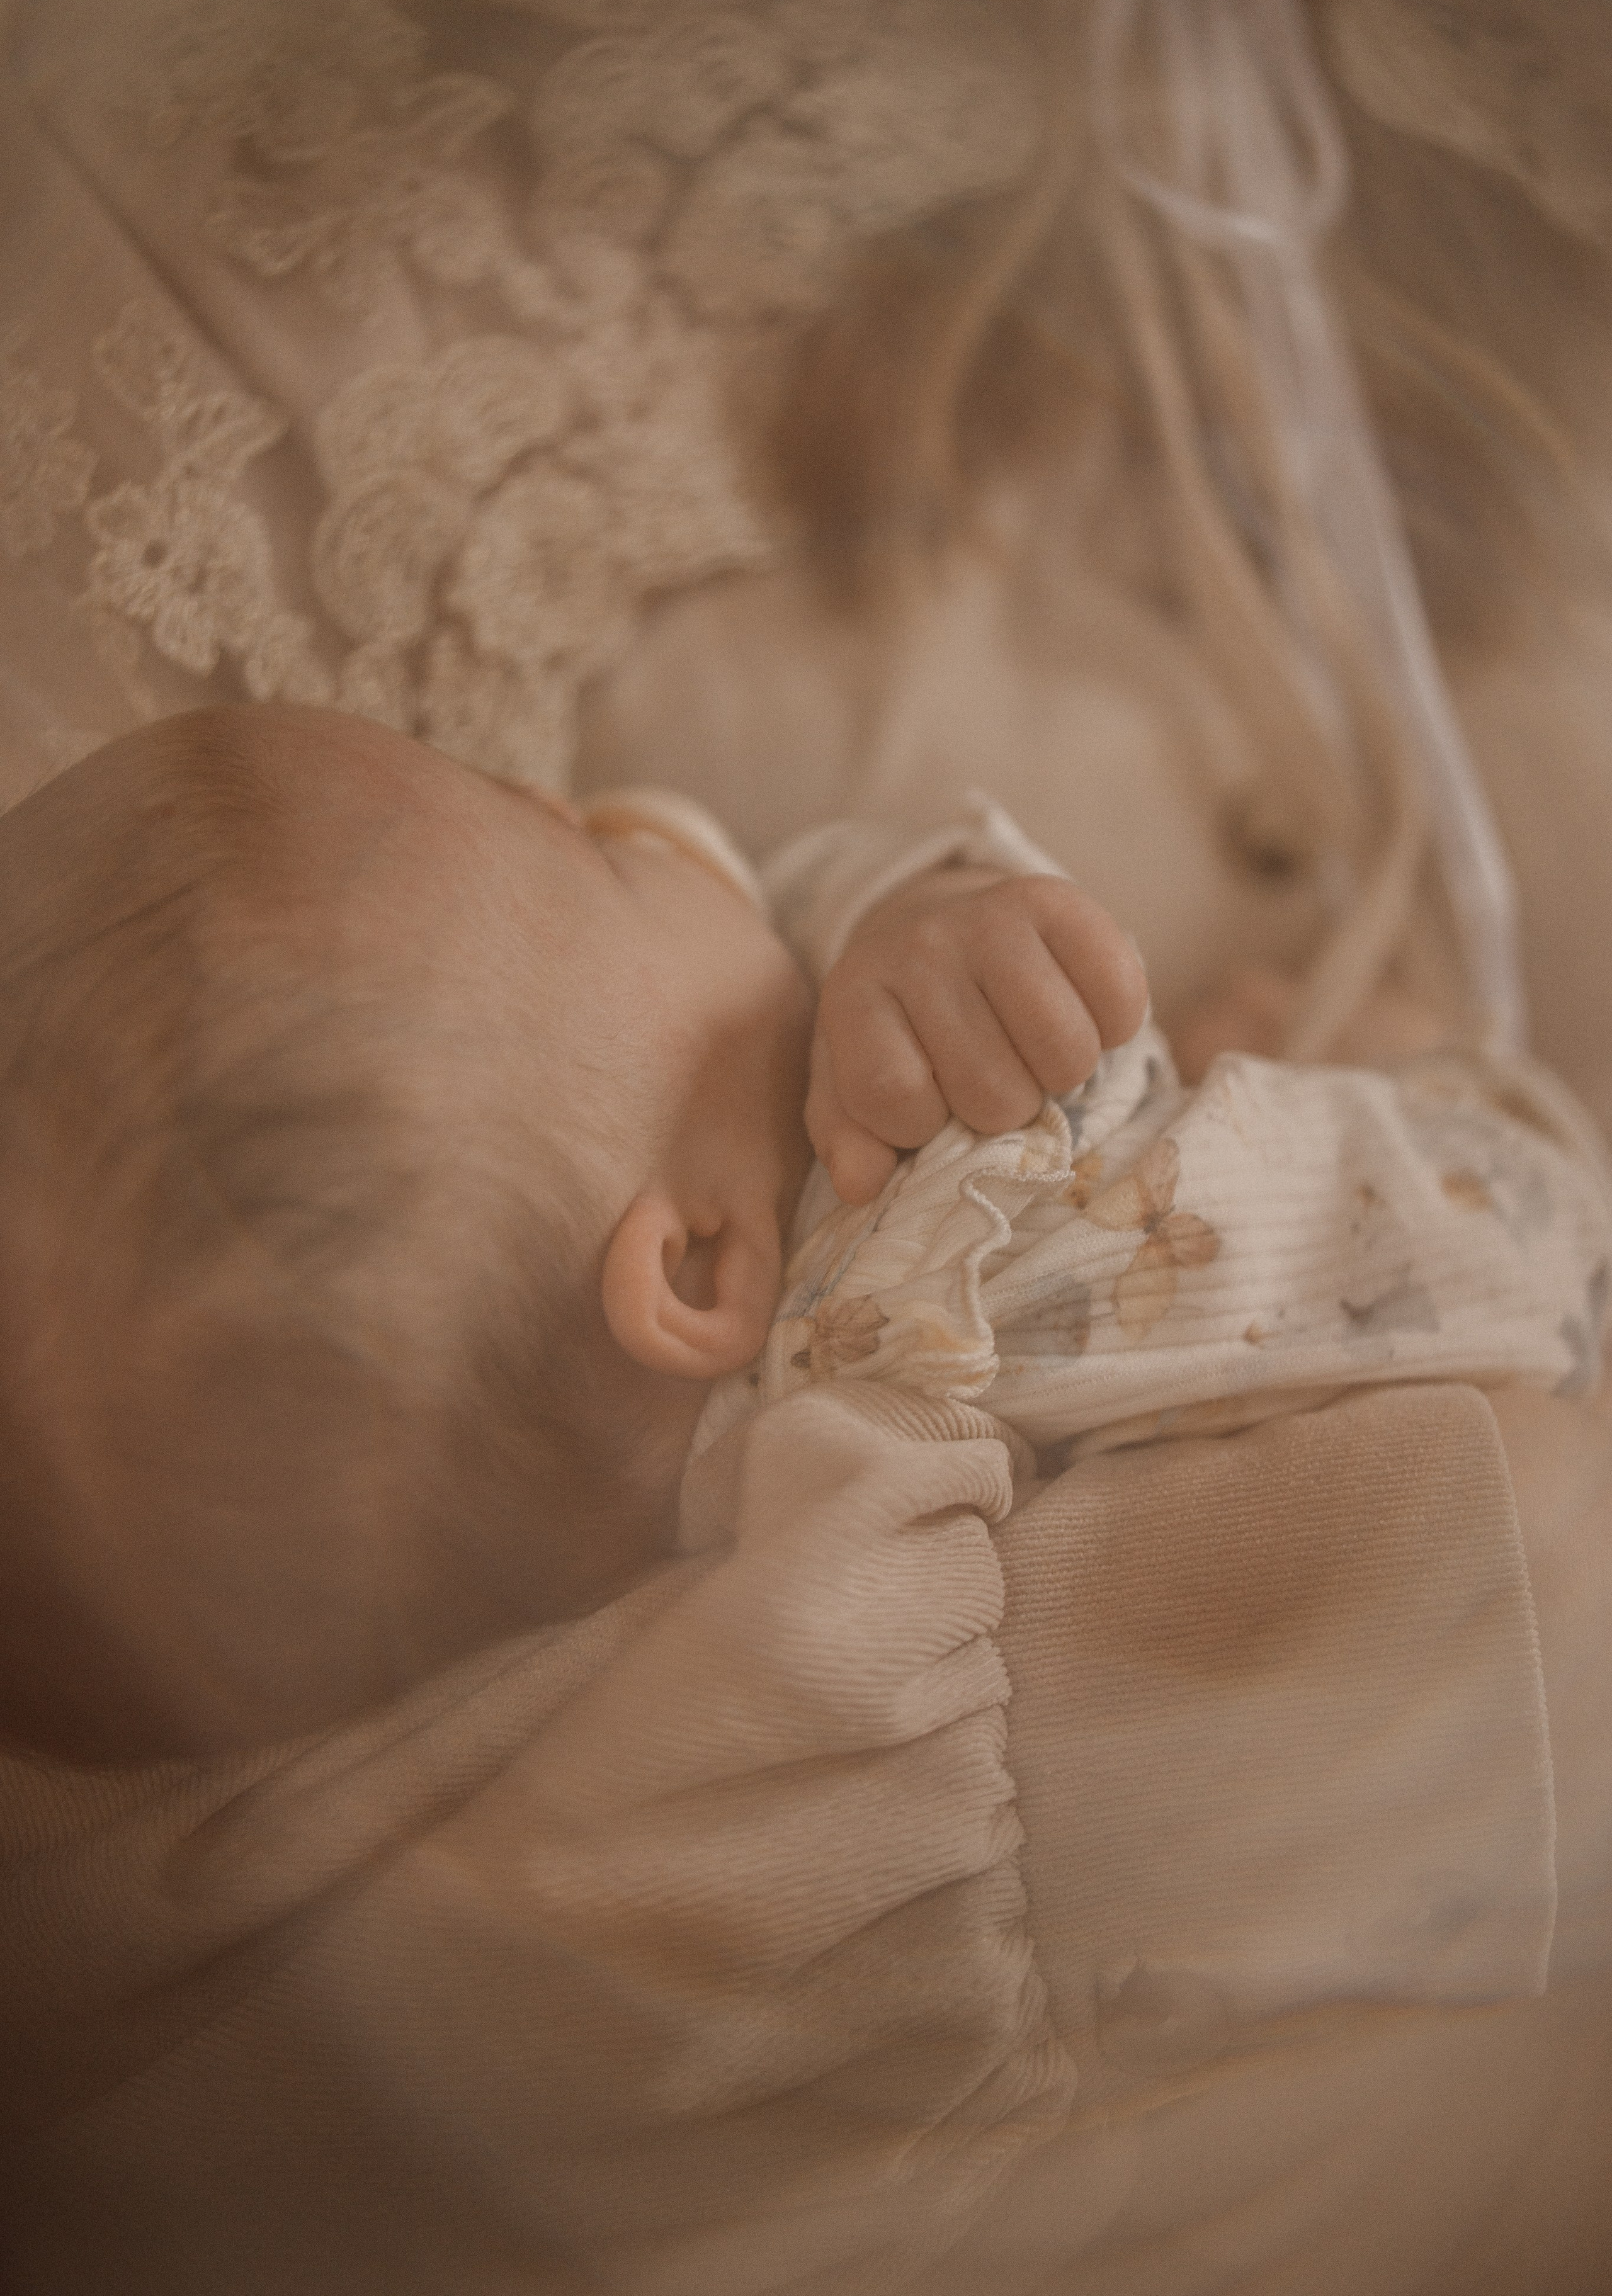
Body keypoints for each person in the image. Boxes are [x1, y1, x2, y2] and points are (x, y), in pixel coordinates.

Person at [3, 698, 1603, 1775]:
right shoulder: (922, 1262)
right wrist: (1427, 1071)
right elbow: (1459, 1253)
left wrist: (895, 929)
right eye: (585, 856)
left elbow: (792, 934)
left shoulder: (754, 1558)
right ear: (699, 1266)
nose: (625, 816)